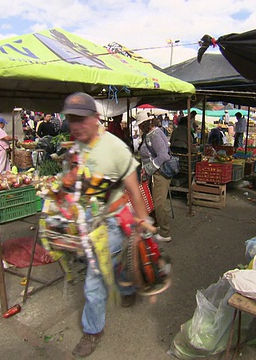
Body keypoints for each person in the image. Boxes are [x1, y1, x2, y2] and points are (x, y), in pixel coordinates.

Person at [62, 93, 151, 358]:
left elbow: (134, 190)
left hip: (112, 223)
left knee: (95, 278)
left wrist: (144, 220)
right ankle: (128, 284)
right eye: (70, 120)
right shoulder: (76, 147)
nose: (75, 126)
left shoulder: (115, 148)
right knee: (111, 266)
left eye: (81, 119)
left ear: (95, 118)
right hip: (87, 221)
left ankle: (92, 331)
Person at [137, 111, 172, 243]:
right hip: (154, 172)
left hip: (160, 173)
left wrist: (148, 168)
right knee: (153, 200)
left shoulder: (155, 134)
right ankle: (156, 225)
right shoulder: (151, 134)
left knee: (158, 202)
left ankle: (165, 232)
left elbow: (162, 156)